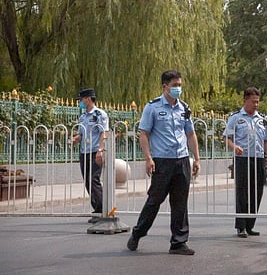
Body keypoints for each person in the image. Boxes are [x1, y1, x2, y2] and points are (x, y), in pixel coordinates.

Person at [127, 70, 201, 255]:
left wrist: (197, 158)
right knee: (155, 200)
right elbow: (143, 133)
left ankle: (178, 242)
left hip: (182, 160)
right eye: (175, 85)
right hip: (162, 161)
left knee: (180, 203)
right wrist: (148, 158)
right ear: (165, 86)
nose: (178, 89)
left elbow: (190, 134)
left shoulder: (184, 108)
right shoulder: (152, 107)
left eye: (180, 85)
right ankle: (138, 233)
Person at [223, 87, 267, 238]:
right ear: (245, 101)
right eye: (253, 102)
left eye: (257, 102)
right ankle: (241, 226)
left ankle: (251, 225)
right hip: (242, 159)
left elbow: (266, 140)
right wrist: (234, 147)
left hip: (258, 159)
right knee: (242, 193)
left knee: (257, 192)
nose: (256, 105)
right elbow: (226, 138)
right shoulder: (236, 118)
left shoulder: (262, 119)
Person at [72, 88, 109, 224]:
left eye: (81, 100)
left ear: (88, 99)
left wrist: (100, 150)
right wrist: (76, 139)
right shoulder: (82, 116)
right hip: (84, 152)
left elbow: (104, 133)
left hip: (95, 151)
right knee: (87, 181)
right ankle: (97, 209)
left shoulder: (100, 114)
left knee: (94, 179)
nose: (80, 102)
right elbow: (81, 133)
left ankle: (102, 209)